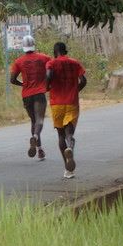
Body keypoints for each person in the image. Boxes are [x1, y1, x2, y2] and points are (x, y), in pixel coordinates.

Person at [46, 42, 87, 179]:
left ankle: (67, 169)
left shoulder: (51, 63)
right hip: (71, 102)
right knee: (69, 133)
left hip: (56, 103)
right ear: (65, 50)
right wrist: (75, 90)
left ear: (54, 51)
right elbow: (83, 80)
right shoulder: (75, 63)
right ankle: (70, 147)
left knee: (60, 135)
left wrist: (47, 86)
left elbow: (49, 76)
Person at [9, 35, 50, 161]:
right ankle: (36, 137)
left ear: (24, 47)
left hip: (26, 95)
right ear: (34, 45)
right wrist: (47, 84)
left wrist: (23, 84)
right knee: (40, 120)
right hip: (39, 93)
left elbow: (12, 79)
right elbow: (51, 72)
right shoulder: (44, 58)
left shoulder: (18, 61)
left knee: (33, 121)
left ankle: (40, 149)